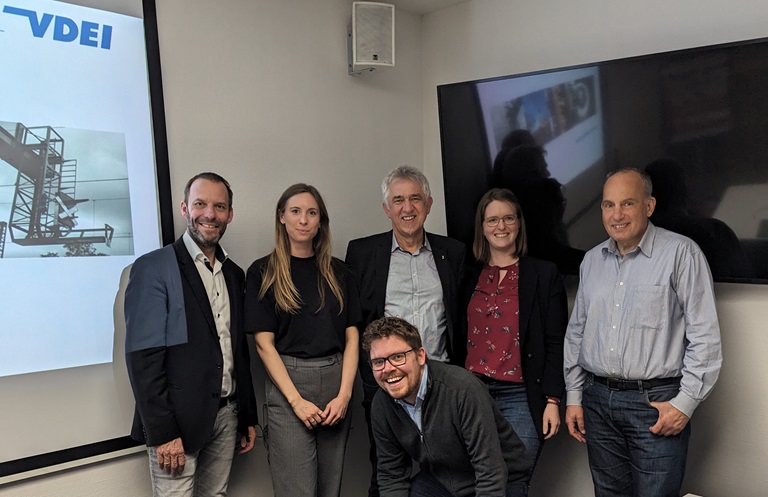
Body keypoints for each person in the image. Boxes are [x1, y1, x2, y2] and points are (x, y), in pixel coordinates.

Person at [563, 168, 723, 497]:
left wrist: (684, 404)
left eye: (628, 203)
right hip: (597, 403)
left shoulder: (682, 254)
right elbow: (578, 333)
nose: (617, 215)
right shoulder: (591, 260)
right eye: (609, 205)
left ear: (648, 206)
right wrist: (575, 397)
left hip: (655, 404)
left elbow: (704, 336)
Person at [125, 172, 258, 497]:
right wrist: (162, 431)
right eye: (200, 204)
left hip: (227, 416)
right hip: (177, 423)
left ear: (229, 214)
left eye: (219, 206)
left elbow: (236, 349)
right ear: (185, 208)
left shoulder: (233, 273)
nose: (210, 214)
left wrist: (247, 416)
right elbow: (143, 359)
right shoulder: (154, 268)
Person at [345, 165, 466, 497]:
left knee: (446, 475)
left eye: (415, 198)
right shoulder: (362, 253)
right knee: (386, 474)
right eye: (398, 200)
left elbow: (460, 320)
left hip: (441, 384)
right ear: (387, 209)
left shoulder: (453, 253)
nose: (407, 208)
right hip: (386, 383)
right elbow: (354, 323)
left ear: (428, 204)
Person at [245, 183, 360, 497]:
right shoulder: (263, 272)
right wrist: (296, 401)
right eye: (295, 211)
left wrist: (345, 395)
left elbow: (352, 337)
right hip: (289, 387)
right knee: (297, 490)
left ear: (320, 221)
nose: (304, 220)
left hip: (337, 384)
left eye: (312, 213)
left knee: (329, 489)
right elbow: (263, 345)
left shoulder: (341, 273)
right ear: (282, 217)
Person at [363, 316, 533, 497]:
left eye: (398, 357)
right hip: (441, 480)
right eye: (378, 362)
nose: (387, 369)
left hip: (502, 479)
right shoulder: (381, 405)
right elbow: (392, 476)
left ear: (420, 356)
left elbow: (490, 470)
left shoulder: (462, 389)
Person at [464, 188, 567, 477]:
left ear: (519, 224)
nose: (501, 226)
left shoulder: (543, 274)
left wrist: (552, 400)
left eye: (509, 218)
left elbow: (556, 341)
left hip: (521, 395)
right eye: (493, 219)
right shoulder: (468, 273)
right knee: (476, 480)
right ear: (482, 227)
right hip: (473, 393)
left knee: (514, 478)